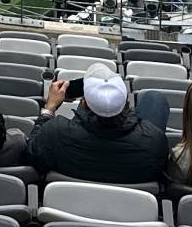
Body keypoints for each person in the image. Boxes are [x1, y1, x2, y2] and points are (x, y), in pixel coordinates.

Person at [27, 64, 165, 185]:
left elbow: (32, 154)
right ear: (125, 102)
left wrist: (49, 108)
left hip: (68, 204)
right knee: (155, 99)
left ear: (84, 102)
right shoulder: (154, 142)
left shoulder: (56, 132)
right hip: (128, 209)